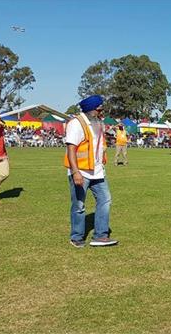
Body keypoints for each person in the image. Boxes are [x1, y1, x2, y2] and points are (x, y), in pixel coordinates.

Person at [64, 95, 118, 248]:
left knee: (105, 200)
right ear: (90, 110)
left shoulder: (97, 123)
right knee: (79, 205)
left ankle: (100, 236)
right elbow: (71, 148)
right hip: (81, 171)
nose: (102, 113)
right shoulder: (76, 124)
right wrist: (75, 172)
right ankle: (76, 236)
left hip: (97, 172)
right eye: (99, 110)